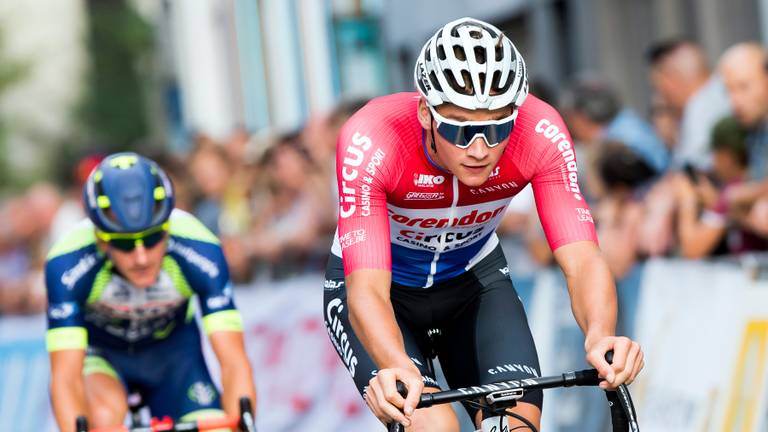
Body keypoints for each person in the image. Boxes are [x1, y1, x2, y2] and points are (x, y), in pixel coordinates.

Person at [323, 17, 644, 431]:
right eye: (460, 129)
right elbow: (366, 288)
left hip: (474, 282)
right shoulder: (373, 139)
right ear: (426, 112)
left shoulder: (540, 132)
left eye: (497, 127)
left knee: (515, 426)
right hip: (386, 294)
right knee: (435, 425)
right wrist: (395, 364)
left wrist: (601, 334)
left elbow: (583, 258)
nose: (480, 149)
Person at [45, 153, 257, 432]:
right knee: (104, 416)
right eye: (125, 245)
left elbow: (233, 361)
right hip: (104, 356)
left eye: (153, 238)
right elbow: (65, 378)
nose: (142, 256)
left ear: (167, 228)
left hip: (175, 355)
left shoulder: (199, 247)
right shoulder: (68, 262)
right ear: (100, 239)